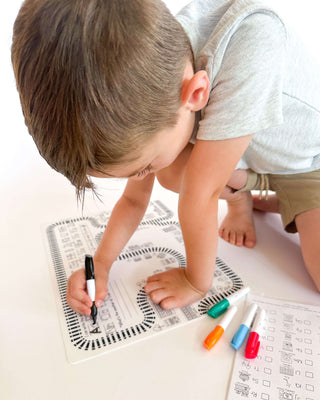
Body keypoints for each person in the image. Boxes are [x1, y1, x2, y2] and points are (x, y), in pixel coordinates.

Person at [12, 0, 320, 316]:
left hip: (308, 164)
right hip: (251, 152)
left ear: (196, 94)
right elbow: (134, 201)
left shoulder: (254, 42)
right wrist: (101, 264)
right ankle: (249, 197)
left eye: (143, 166)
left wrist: (195, 282)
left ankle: (280, 198)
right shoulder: (148, 80)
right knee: (174, 172)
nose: (142, 176)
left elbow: (201, 195)